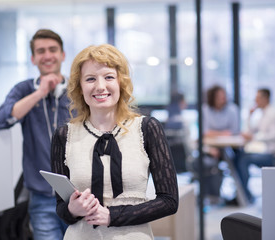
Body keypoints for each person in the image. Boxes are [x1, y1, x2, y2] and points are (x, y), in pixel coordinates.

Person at [51, 44, 179, 239]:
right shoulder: (64, 135)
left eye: (109, 77)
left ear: (121, 82)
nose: (100, 86)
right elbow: (60, 207)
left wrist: (112, 215)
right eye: (90, 79)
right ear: (80, 86)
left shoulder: (147, 128)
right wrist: (72, 209)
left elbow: (169, 201)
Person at [0, 29, 69, 239]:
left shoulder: (78, 90)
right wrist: (40, 93)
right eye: (41, 51)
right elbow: (1, 120)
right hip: (42, 197)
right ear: (33, 58)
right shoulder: (23, 89)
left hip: (79, 195)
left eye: (53, 49)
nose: (47, 55)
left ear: (62, 55)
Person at [237, 88, 275, 203]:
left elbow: (274, 136)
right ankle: (242, 194)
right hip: (270, 153)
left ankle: (245, 196)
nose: (255, 101)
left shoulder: (273, 114)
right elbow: (251, 131)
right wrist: (249, 116)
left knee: (244, 160)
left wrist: (254, 138)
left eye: (257, 98)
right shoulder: (263, 114)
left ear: (265, 98)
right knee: (241, 156)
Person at [201, 85, 240, 201]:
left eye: (224, 96)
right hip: (211, 148)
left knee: (240, 160)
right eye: (219, 96)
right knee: (208, 162)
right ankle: (212, 196)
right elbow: (205, 132)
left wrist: (215, 133)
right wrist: (223, 133)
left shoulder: (232, 109)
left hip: (230, 148)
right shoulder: (205, 110)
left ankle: (239, 196)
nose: (223, 99)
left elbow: (234, 132)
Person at [164, 91, 192, 173]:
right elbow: (189, 147)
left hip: (171, 162)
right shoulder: (183, 122)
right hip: (185, 160)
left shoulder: (167, 121)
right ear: (180, 103)